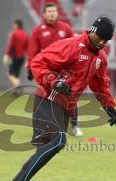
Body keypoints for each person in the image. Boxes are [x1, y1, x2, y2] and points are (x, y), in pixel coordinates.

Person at [0, 16, 116, 181]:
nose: (102, 42)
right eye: (100, 37)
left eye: (106, 40)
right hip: (47, 99)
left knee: (45, 151)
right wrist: (54, 81)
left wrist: (109, 106)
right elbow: (38, 62)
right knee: (58, 141)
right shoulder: (72, 46)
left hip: (63, 107)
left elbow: (100, 83)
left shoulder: (100, 57)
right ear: (92, 30)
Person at [27, 2, 83, 136]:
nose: (52, 13)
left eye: (54, 11)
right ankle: (41, 128)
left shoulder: (66, 28)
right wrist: (30, 67)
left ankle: (75, 126)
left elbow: (75, 47)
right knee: (42, 98)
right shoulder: (38, 31)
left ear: (57, 13)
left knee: (71, 97)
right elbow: (32, 51)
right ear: (44, 14)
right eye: (49, 11)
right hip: (46, 71)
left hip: (65, 71)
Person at [3, 19, 28, 94]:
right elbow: (27, 46)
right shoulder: (25, 34)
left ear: (16, 25)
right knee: (17, 74)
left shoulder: (14, 33)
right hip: (22, 57)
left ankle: (18, 86)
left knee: (10, 74)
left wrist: (7, 55)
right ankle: (16, 91)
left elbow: (11, 45)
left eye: (14, 24)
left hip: (15, 56)